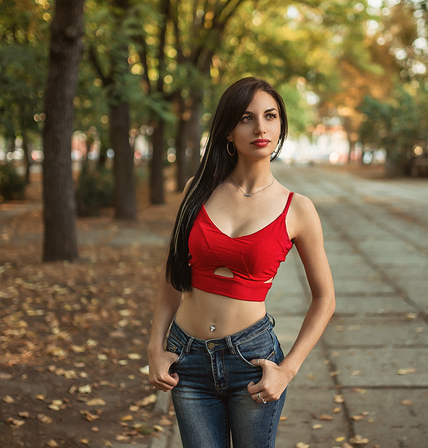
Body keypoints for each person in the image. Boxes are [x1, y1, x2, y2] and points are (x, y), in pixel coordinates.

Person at [147, 77, 335, 448]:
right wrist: (155, 346)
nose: (261, 128)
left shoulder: (297, 209)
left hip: (251, 362)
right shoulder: (196, 190)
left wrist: (287, 370)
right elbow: (173, 276)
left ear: (281, 127)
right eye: (247, 118)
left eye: (271, 116)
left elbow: (325, 299)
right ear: (229, 131)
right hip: (188, 358)